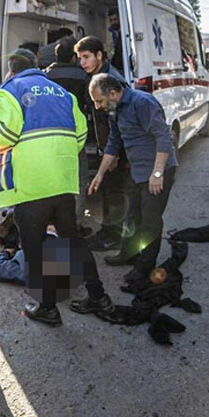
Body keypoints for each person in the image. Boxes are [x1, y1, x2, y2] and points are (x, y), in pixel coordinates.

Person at [0, 48, 111, 327]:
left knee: (32, 248)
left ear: (11, 70)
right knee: (73, 241)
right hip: (63, 181)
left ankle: (47, 308)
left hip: (32, 184)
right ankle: (98, 296)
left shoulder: (8, 91)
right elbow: (81, 135)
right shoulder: (61, 93)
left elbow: (5, 135)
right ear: (38, 68)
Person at [88, 73, 178, 283]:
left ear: (113, 93)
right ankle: (128, 255)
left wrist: (157, 173)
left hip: (158, 170)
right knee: (131, 215)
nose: (99, 107)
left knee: (150, 221)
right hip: (138, 172)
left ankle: (145, 267)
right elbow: (113, 142)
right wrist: (100, 174)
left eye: (99, 101)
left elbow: (163, 137)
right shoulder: (115, 109)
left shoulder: (142, 103)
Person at [76, 36, 129, 254]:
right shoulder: (96, 76)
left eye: (86, 57)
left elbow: (117, 121)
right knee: (108, 190)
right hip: (106, 145)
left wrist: (113, 152)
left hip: (115, 147)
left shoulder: (110, 81)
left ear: (99, 55)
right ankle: (109, 232)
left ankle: (113, 236)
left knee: (114, 191)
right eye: (80, 58)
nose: (82, 62)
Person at [45, 35, 90, 227]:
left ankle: (52, 222)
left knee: (52, 179)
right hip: (74, 136)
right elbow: (91, 107)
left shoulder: (44, 75)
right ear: (74, 57)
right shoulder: (83, 76)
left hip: (48, 137)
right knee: (78, 181)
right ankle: (76, 223)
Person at [107, 8, 124, 74]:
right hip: (114, 64)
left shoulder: (125, 31)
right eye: (111, 20)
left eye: (115, 19)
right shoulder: (109, 32)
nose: (113, 22)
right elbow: (110, 49)